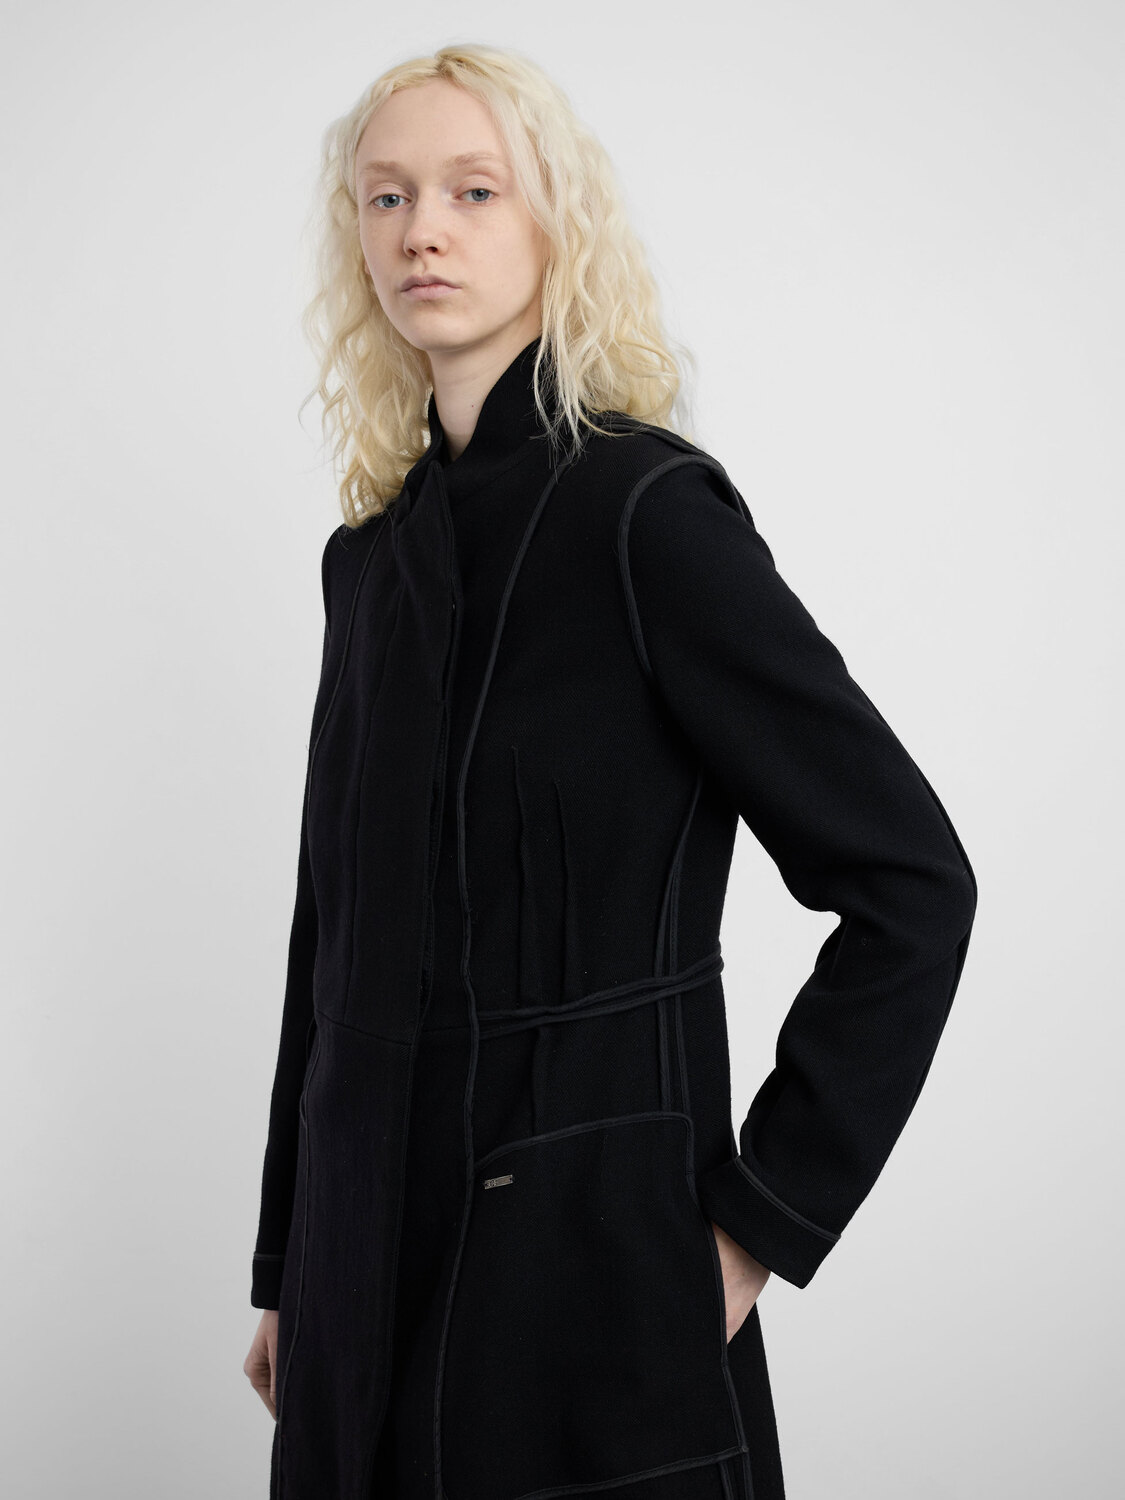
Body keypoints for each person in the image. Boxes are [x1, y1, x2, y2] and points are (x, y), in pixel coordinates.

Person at [242, 43, 977, 1500]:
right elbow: (332, 944)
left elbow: (910, 883)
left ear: (554, 221)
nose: (422, 230)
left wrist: (757, 1224)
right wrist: (287, 1261)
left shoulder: (646, 516)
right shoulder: (369, 563)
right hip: (359, 1280)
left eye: (472, 190)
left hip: (590, 1282)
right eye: (386, 196)